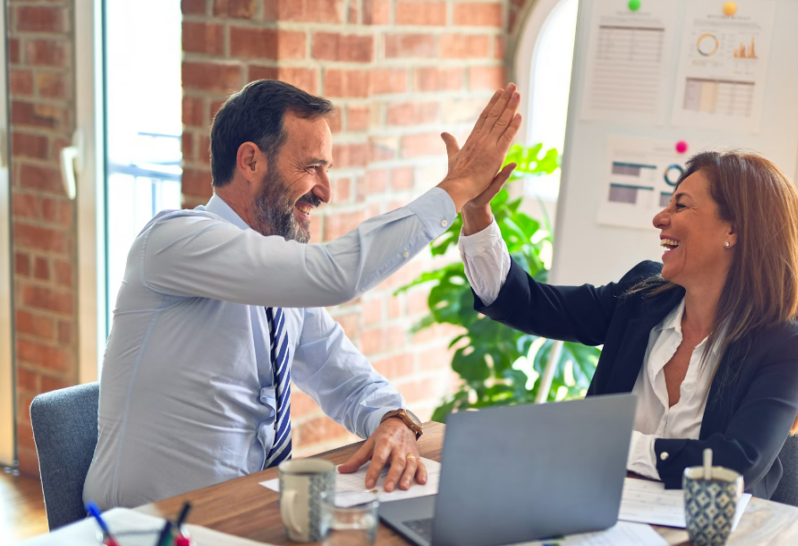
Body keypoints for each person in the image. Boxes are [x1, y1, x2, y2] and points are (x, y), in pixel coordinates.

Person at [83, 79, 521, 509]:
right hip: (145, 535)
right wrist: (458, 187)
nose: (325, 191)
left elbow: (345, 378)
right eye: (312, 167)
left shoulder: (279, 281)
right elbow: (336, 275)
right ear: (251, 161)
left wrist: (394, 419)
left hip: (245, 517)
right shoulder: (174, 241)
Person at [457, 151, 798, 499]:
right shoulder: (641, 297)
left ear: (734, 230)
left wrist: (609, 443)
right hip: (599, 517)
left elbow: (733, 465)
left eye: (680, 205)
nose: (660, 218)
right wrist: (476, 212)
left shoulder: (788, 347)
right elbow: (527, 303)